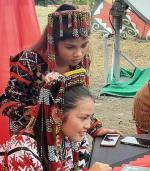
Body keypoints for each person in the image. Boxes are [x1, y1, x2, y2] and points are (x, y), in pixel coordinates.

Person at [0, 4, 118, 136]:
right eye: (70, 47)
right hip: (31, 135)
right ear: (52, 42)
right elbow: (6, 102)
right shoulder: (30, 59)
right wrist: (40, 113)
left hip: (67, 134)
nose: (78, 53)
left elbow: (79, 101)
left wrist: (95, 128)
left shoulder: (81, 63)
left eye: (84, 45)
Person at [0, 73, 113, 171]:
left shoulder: (72, 137)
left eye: (90, 118)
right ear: (56, 115)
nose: (88, 125)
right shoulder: (21, 153)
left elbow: (80, 166)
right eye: (83, 118)